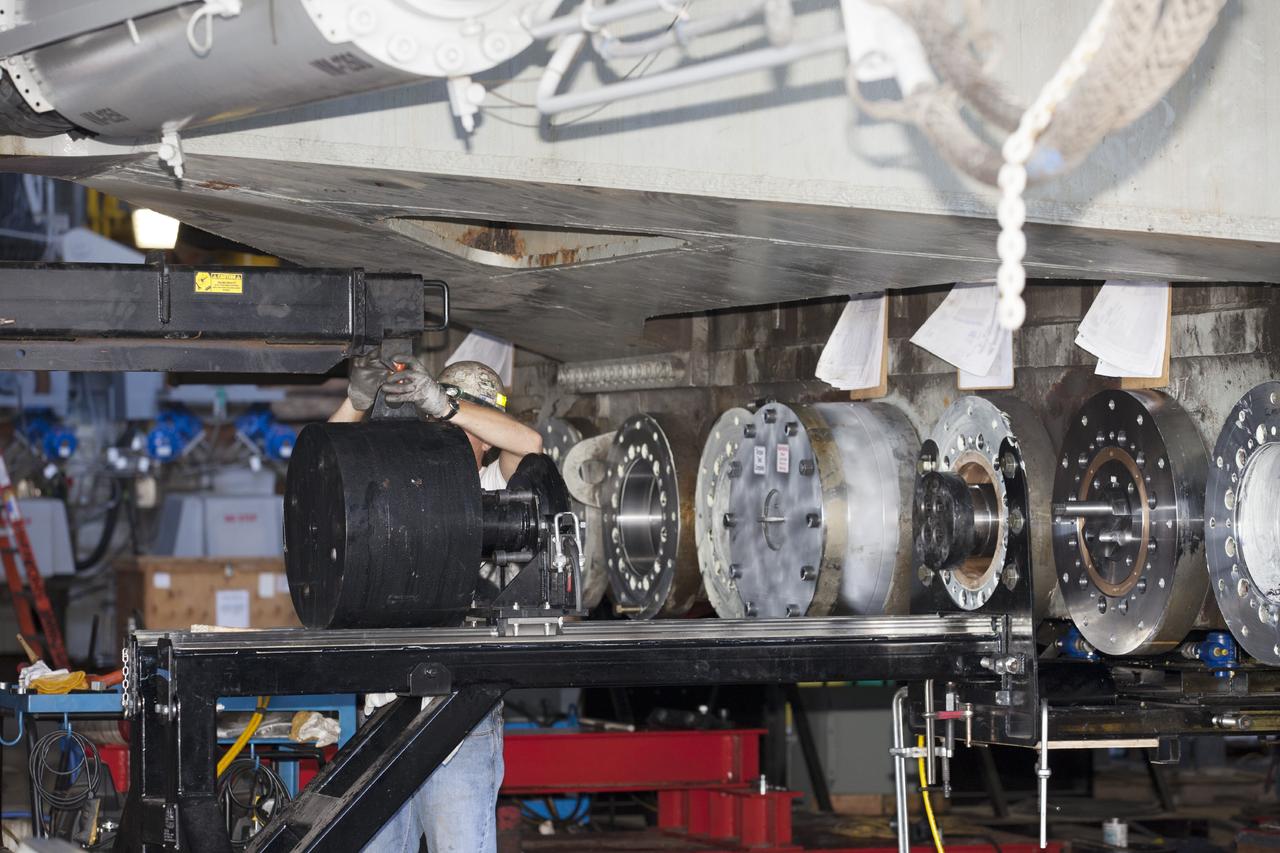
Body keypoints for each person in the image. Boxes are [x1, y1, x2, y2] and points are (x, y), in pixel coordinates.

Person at [332, 353, 543, 853]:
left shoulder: (494, 489)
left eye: (464, 419)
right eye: (434, 415)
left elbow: (529, 444)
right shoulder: (400, 482)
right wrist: (356, 402)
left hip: (459, 717)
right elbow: (328, 469)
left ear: (484, 432)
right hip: (384, 711)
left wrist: (445, 403)